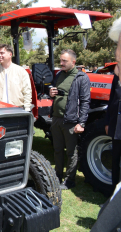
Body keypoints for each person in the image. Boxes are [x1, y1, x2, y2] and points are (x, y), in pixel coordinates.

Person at [49, 49, 90, 190]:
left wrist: (82, 122)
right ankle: (58, 175)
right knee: (58, 149)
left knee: (71, 152)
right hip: (56, 119)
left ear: (73, 62)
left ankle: (70, 180)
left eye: (64, 61)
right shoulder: (59, 75)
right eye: (60, 60)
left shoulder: (81, 78)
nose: (61, 63)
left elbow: (85, 101)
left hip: (71, 121)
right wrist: (51, 92)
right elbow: (54, 92)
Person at [0, 44, 32, 111]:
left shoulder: (21, 71)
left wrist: (27, 108)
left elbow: (27, 91)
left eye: (2, 53)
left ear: (10, 54)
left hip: (17, 110)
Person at [104, 24, 121, 192]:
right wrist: (109, 121)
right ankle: (113, 197)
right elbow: (112, 101)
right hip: (117, 127)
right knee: (115, 162)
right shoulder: (116, 77)